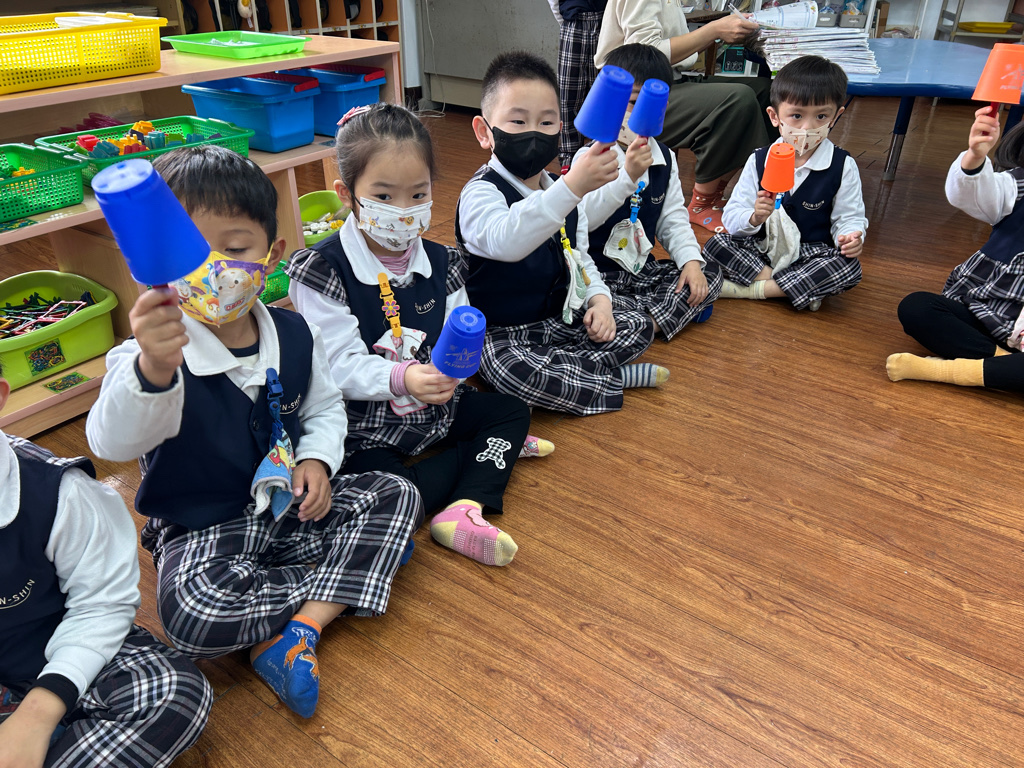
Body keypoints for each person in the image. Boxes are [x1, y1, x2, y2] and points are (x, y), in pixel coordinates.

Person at [85, 146, 422, 720]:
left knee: (396, 492)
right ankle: (353, 573)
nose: (212, 270)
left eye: (235, 248)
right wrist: (152, 369)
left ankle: (298, 630)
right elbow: (109, 444)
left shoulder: (296, 333)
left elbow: (324, 408)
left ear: (273, 255)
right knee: (192, 617)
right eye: (190, 251)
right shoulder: (145, 358)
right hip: (207, 527)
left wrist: (316, 459)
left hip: (293, 507)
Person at [287, 103, 545, 568]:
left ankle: (463, 508)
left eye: (417, 194)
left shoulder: (442, 261)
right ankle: (487, 457)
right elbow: (336, 366)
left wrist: (452, 370)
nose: (403, 211)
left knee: (511, 409)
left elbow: (458, 332)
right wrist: (404, 378)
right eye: (384, 196)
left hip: (433, 405)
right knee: (393, 489)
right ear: (347, 194)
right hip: (362, 427)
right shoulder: (323, 270)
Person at [0, 364, 211, 768]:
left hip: (58, 646)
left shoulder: (56, 492)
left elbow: (101, 602)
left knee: (173, 690)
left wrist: (39, 713)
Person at [456, 50, 664, 417]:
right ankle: (612, 377)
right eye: (518, 121)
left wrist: (600, 301)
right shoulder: (481, 193)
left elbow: (579, 258)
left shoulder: (559, 188)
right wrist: (572, 187)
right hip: (503, 333)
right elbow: (507, 240)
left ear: (560, 127)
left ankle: (571, 372)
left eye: (547, 122)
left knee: (636, 323)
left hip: (560, 319)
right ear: (484, 132)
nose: (534, 132)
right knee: (508, 370)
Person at [576, 43, 722, 339]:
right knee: (576, 296)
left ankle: (634, 324)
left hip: (640, 272)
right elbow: (584, 221)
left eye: (649, 103)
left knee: (707, 271)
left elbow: (673, 220)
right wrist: (627, 176)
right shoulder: (589, 159)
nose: (636, 113)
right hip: (596, 277)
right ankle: (654, 319)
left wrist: (691, 263)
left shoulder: (665, 159)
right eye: (631, 102)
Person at [702, 55, 865, 312]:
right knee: (716, 245)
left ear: (836, 116)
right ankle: (796, 289)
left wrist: (850, 236)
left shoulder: (842, 165)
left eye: (821, 116)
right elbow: (732, 218)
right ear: (774, 116)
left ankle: (750, 290)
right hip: (762, 248)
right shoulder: (759, 160)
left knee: (848, 267)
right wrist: (754, 217)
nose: (807, 127)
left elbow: (849, 217)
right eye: (796, 115)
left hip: (809, 253)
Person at [595, 0, 773, 233]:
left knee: (766, 92)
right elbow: (646, 54)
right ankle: (701, 203)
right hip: (638, 94)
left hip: (673, 79)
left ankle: (727, 192)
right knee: (737, 100)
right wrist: (714, 30)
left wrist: (724, 32)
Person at [887, 111, 1024, 391]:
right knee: (917, 308)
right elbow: (976, 194)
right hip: (989, 315)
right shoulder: (1017, 185)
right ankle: (1004, 366)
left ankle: (947, 371)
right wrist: (975, 157)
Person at [547, 0, 608, 169]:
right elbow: (554, 3)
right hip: (573, 22)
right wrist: (568, 22)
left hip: (606, 25)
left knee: (603, 97)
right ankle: (569, 159)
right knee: (568, 96)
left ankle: (601, 156)